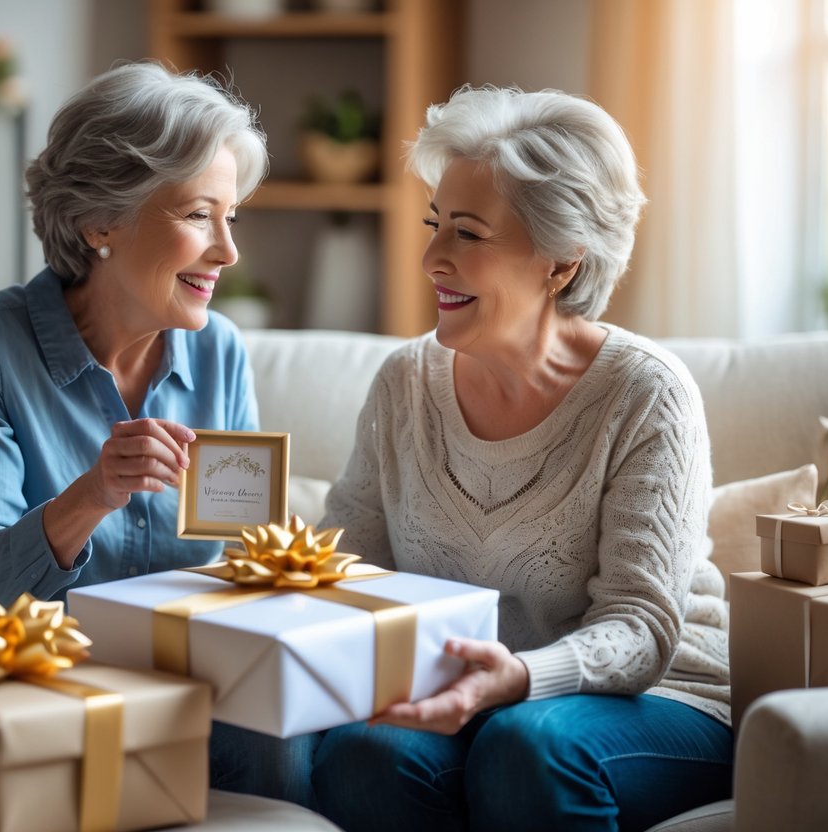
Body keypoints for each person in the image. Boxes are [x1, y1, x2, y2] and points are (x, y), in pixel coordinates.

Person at [0, 60, 310, 804]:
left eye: (230, 217)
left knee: (284, 740)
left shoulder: (219, 349)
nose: (227, 251)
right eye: (198, 215)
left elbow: (237, 551)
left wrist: (280, 571)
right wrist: (95, 492)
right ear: (100, 221)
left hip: (159, 673)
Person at [309, 85, 733, 831]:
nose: (430, 257)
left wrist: (521, 678)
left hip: (653, 700)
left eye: (467, 235)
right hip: (472, 697)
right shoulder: (405, 384)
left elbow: (640, 627)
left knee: (525, 746)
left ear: (561, 262)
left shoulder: (645, 394)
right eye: (433, 224)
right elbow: (351, 569)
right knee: (364, 752)